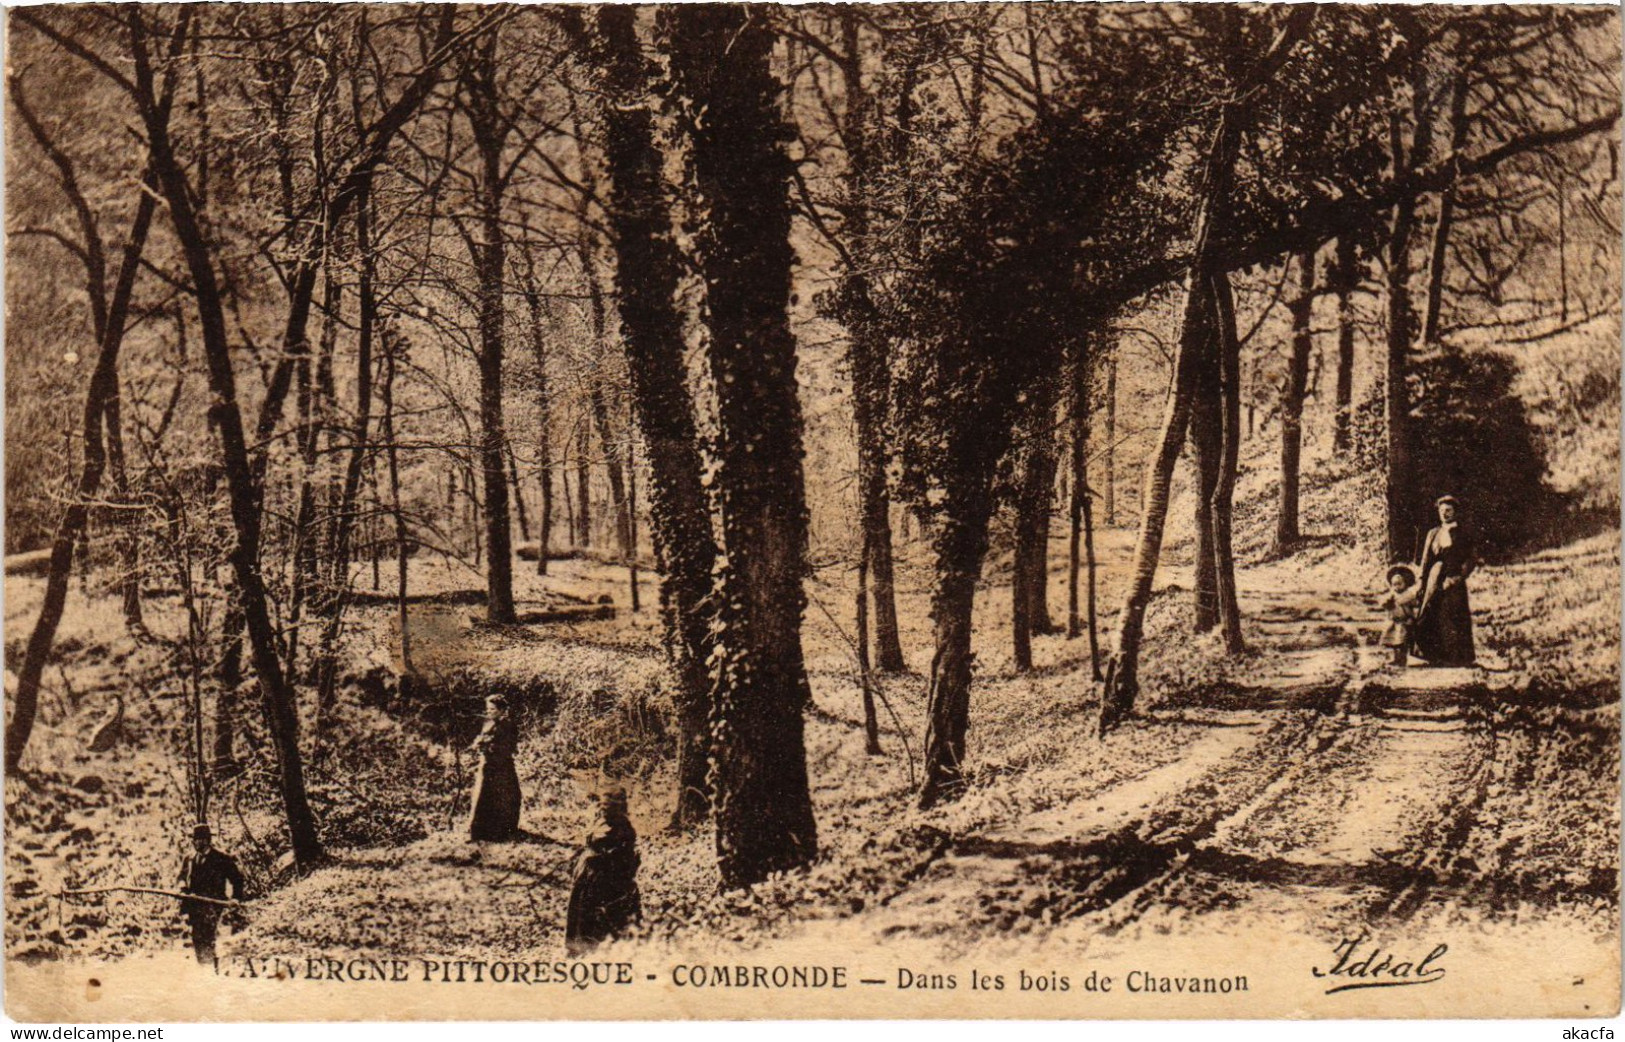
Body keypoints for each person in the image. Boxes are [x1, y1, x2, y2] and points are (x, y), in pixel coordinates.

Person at [565, 787, 641, 955]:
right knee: (580, 911)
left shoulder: (624, 829)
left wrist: (600, 859)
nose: (604, 810)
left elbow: (624, 859)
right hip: (588, 875)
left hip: (607, 878)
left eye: (609, 807)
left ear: (619, 808)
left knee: (599, 915)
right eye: (603, 806)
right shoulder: (599, 821)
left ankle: (602, 947)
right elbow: (590, 841)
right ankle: (578, 947)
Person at [1413, 495, 1477, 666]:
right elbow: (1425, 559)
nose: (1445, 514)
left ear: (1455, 512)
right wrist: (1421, 581)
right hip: (1434, 578)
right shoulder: (1433, 533)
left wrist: (1458, 577)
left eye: (1448, 511)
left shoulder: (1463, 533)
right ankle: (1435, 656)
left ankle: (1458, 658)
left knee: (1453, 615)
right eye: (1442, 511)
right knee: (1431, 613)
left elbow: (1471, 558)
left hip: (1453, 578)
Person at [177, 823, 246, 966]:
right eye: (194, 839)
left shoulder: (221, 858)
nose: (195, 842)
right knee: (197, 938)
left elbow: (237, 879)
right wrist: (183, 888)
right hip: (194, 905)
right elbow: (181, 877)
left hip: (213, 905)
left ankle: (210, 968)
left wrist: (235, 898)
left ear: (207, 840)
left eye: (199, 839)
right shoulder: (189, 859)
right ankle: (204, 967)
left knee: (208, 937)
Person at [1380, 564, 1420, 667]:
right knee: (1393, 641)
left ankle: (1402, 659)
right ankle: (1395, 658)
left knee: (1402, 642)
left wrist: (1413, 617)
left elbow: (1416, 605)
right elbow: (1383, 603)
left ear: (1406, 583)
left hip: (1404, 621)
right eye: (1394, 585)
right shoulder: (1392, 594)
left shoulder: (1409, 595)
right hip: (1393, 621)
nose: (1397, 587)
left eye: (1399, 584)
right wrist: (1387, 602)